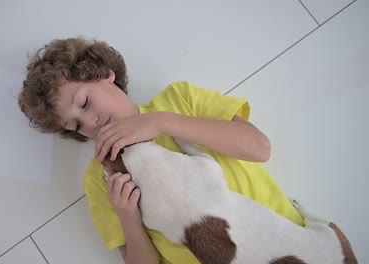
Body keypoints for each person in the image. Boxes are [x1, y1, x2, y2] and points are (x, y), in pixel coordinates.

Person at [17, 37, 304, 264]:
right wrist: (128, 217)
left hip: (292, 246)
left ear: (106, 74)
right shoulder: (99, 178)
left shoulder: (179, 99)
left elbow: (259, 148)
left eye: (84, 103)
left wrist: (162, 122)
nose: (89, 121)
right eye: (75, 125)